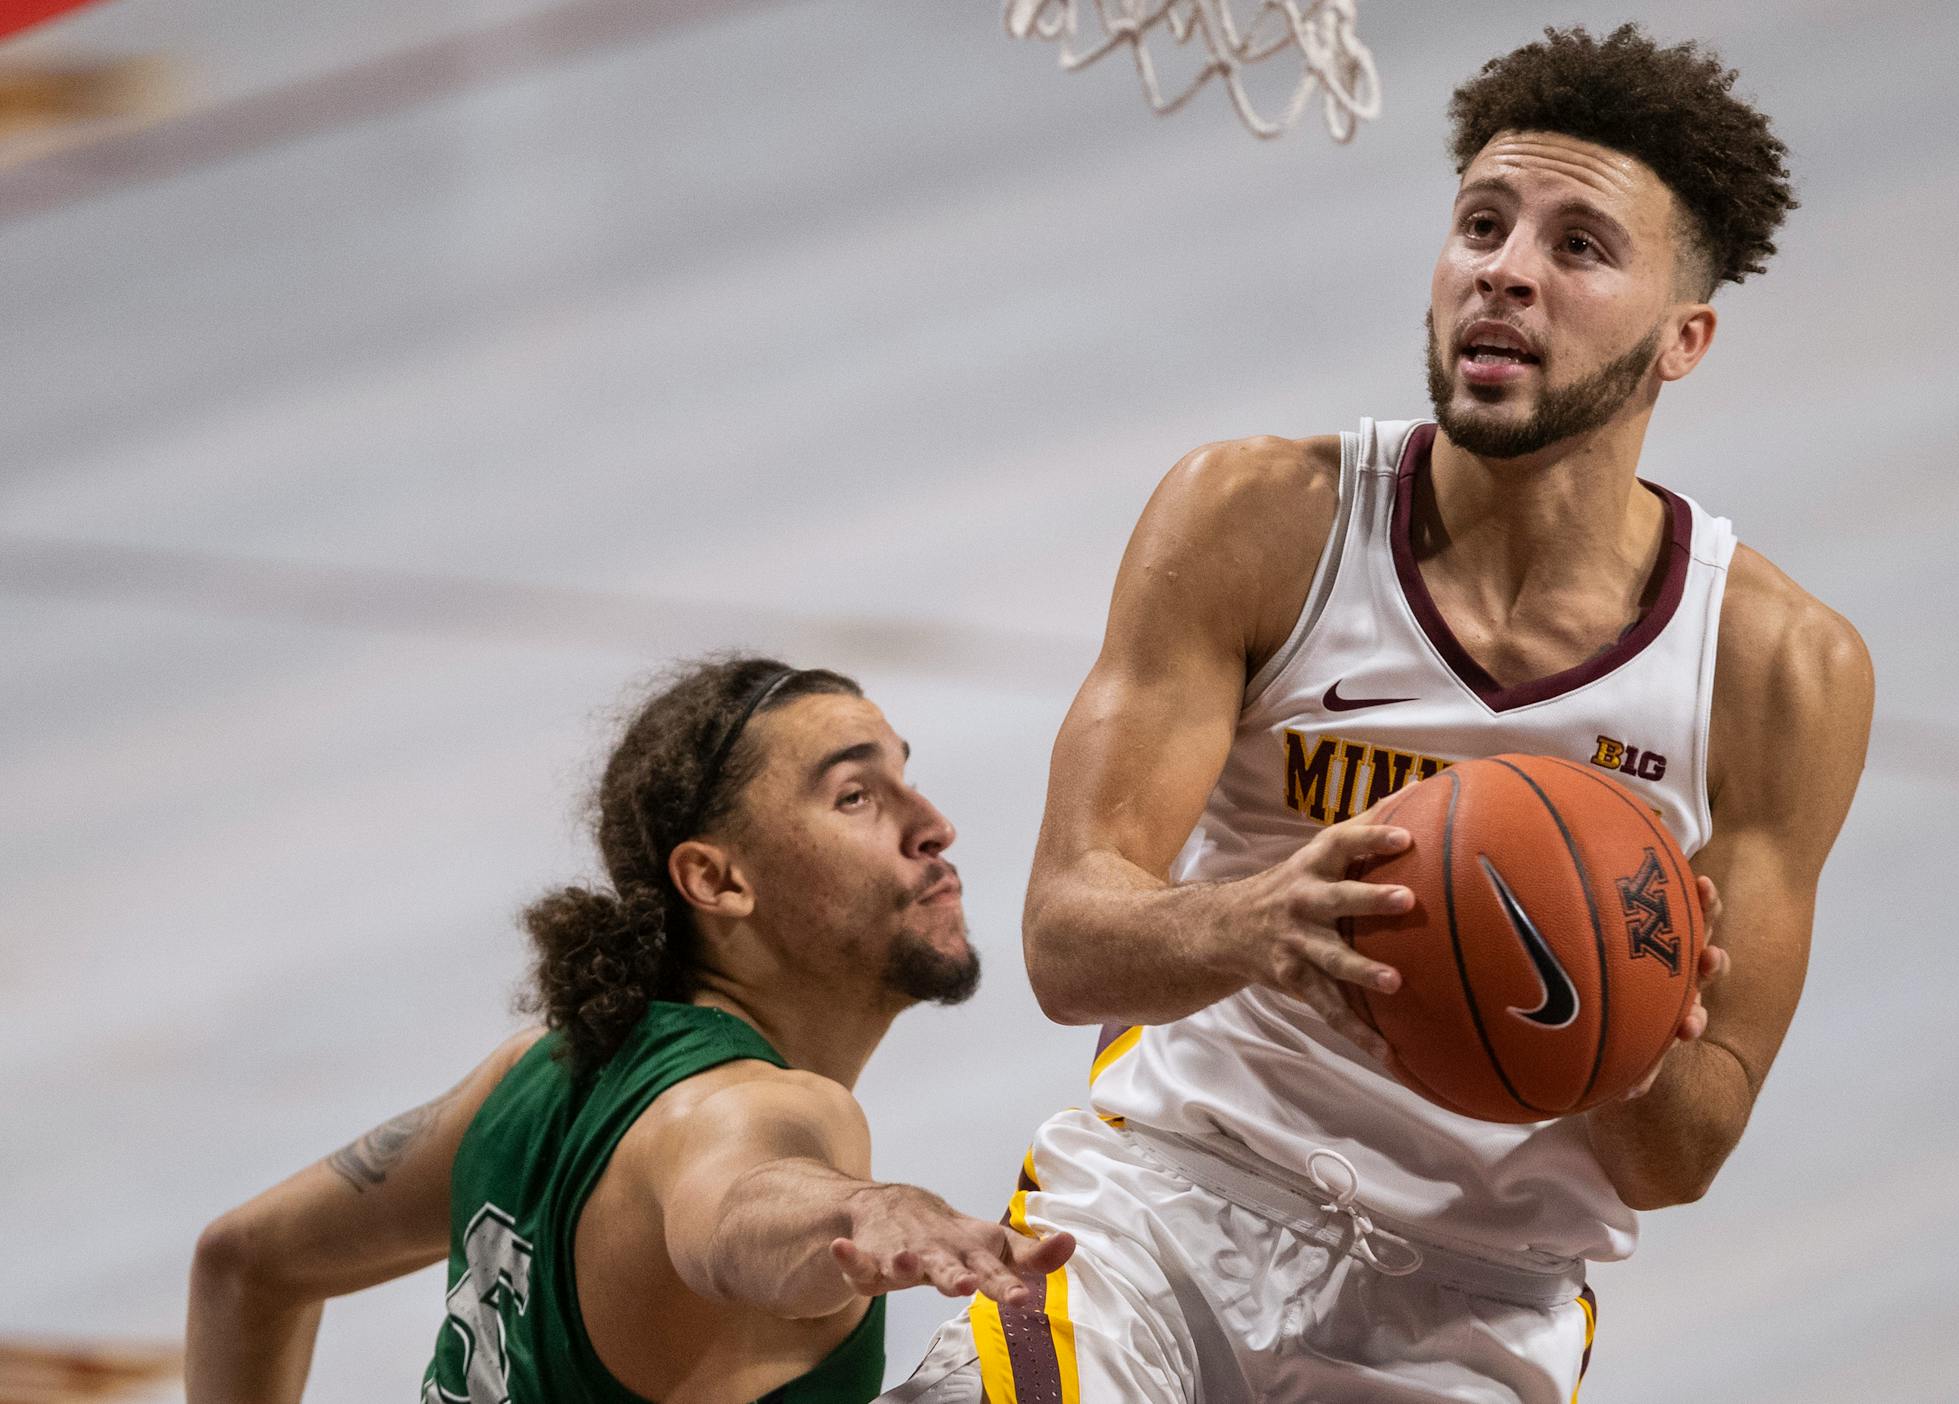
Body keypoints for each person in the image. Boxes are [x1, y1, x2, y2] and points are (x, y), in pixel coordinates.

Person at [889, 24, 1873, 1404]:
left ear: (1682, 338)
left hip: (1480, 1293)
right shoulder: (1257, 519)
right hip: (1166, 1211)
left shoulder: (1779, 670)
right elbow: (1066, 944)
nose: (1505, 273)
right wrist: (1252, 921)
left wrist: (1622, 1024)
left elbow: (1681, 1160)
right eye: (1482, 223)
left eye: (1580, 247)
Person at [187, 656, 1073, 1404]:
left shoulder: (536, 1074)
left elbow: (246, 1264)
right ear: (717, 880)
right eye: (853, 796)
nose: (932, 826)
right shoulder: (755, 1112)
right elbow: (732, 1209)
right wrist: (864, 1208)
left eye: (904, 778)